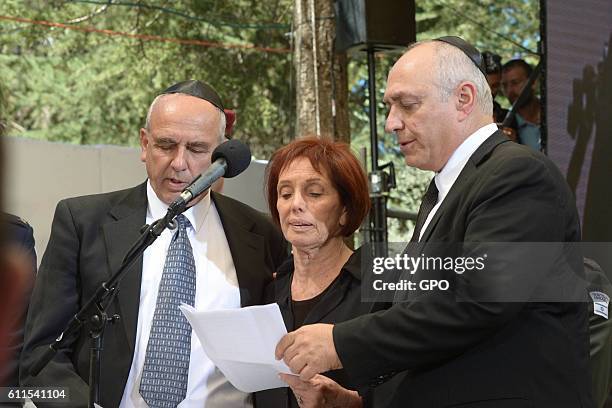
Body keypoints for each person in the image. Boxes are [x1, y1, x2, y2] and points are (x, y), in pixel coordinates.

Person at [275, 37, 593, 407]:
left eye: (407, 105)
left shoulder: (518, 174)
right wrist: (356, 401)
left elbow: (478, 301)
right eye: (390, 108)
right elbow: (423, 323)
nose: (392, 123)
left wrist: (339, 343)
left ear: (464, 99)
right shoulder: (445, 190)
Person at [20, 80, 288, 407]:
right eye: (166, 145)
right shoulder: (83, 222)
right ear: (144, 144)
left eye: (197, 149)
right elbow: (40, 356)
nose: (179, 163)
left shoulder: (261, 234)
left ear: (221, 155)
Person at [253, 137, 384, 408]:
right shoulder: (267, 291)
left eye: (314, 193)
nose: (295, 205)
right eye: (285, 194)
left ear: (345, 211)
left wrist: (348, 402)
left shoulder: (380, 290)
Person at [501, 58, 542, 150]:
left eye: (515, 83)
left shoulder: (556, 112)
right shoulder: (506, 127)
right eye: (504, 86)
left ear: (533, 83)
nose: (509, 91)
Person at [482, 50, 518, 142]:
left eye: (495, 86)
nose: (489, 91)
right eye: (484, 85)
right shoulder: (458, 116)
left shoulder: (508, 118)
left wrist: (512, 143)